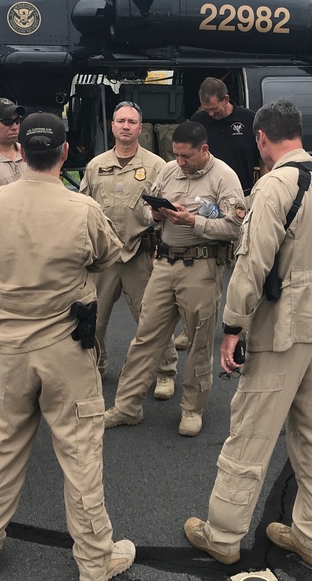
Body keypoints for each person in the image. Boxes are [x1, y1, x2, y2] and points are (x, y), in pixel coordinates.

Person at [0, 112, 135, 581]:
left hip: (7, 349)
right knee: (80, 454)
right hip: (65, 346)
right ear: (65, 153)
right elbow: (107, 256)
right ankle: (95, 560)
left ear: (20, 151)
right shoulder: (81, 208)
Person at [183, 99, 312, 569]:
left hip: (284, 324)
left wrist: (232, 325)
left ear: (261, 138)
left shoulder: (275, 185)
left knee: (251, 430)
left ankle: (224, 532)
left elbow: (252, 264)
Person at [104, 120, 245, 437]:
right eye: (176, 155)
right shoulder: (167, 171)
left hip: (201, 267)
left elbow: (234, 228)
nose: (180, 162)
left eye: (187, 156)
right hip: (164, 263)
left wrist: (192, 221)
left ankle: (192, 409)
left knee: (198, 342)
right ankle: (127, 407)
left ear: (204, 150)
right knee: (146, 337)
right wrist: (154, 215)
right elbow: (143, 211)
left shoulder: (224, 177)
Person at [80, 100, 177, 395]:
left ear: (140, 128)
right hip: (105, 258)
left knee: (151, 318)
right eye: (120, 121)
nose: (125, 126)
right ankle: (96, 367)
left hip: (140, 255)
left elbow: (168, 208)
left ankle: (165, 371)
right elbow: (84, 208)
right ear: (112, 126)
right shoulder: (96, 166)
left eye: (131, 122)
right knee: (94, 318)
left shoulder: (157, 166)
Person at [190, 76, 260, 195]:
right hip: (208, 194)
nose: (211, 114)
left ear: (226, 99)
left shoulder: (249, 119)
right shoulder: (197, 121)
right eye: (207, 110)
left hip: (245, 193)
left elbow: (262, 159)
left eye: (214, 109)